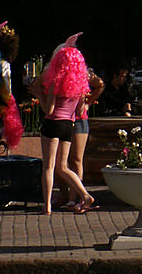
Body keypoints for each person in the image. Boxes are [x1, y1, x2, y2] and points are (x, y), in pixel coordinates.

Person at [30, 34, 96, 215]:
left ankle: (47, 205)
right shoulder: (80, 86)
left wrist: (39, 95)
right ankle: (84, 194)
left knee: (49, 167)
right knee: (64, 166)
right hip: (69, 125)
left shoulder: (55, 84)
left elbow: (49, 110)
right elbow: (79, 110)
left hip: (53, 124)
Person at [55, 67, 105, 209]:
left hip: (78, 120)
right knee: (60, 161)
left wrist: (88, 103)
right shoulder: (59, 73)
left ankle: (74, 197)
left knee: (76, 159)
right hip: (64, 119)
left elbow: (100, 84)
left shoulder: (82, 73)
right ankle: (65, 194)